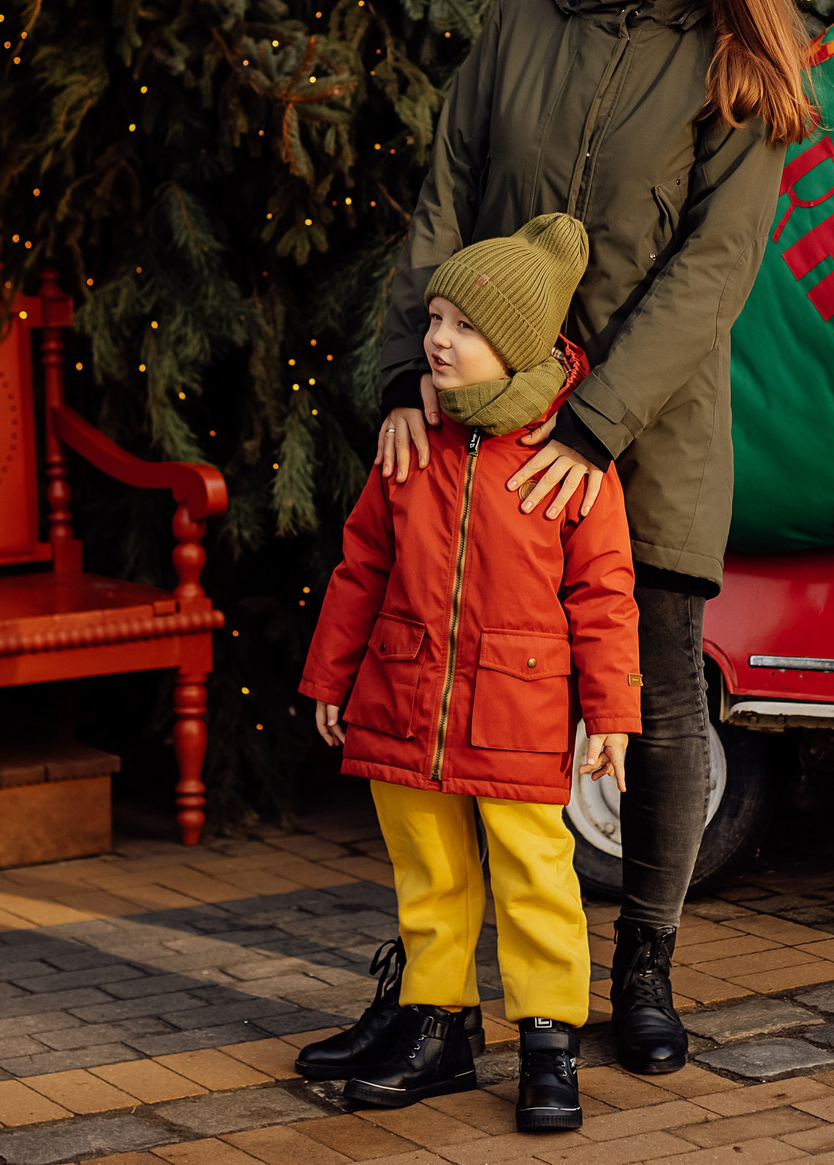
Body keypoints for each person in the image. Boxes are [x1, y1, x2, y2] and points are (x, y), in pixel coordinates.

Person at [354, 0, 818, 1076]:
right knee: (446, 700)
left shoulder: (737, 61)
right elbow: (446, 196)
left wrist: (596, 423)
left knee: (658, 706)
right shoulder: (520, 18)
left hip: (643, 436)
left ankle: (645, 969)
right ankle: (433, 995)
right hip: (478, 431)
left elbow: (712, 272)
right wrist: (404, 376)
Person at [297, 214, 641, 1132]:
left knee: (536, 875)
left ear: (518, 346)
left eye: (464, 326)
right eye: (435, 319)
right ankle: (437, 1026)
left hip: (517, 711)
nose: (438, 340)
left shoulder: (569, 462)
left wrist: (611, 712)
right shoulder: (412, 441)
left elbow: (606, 595)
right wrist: (330, 676)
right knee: (431, 876)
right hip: (402, 698)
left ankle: (549, 1040)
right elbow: (363, 564)